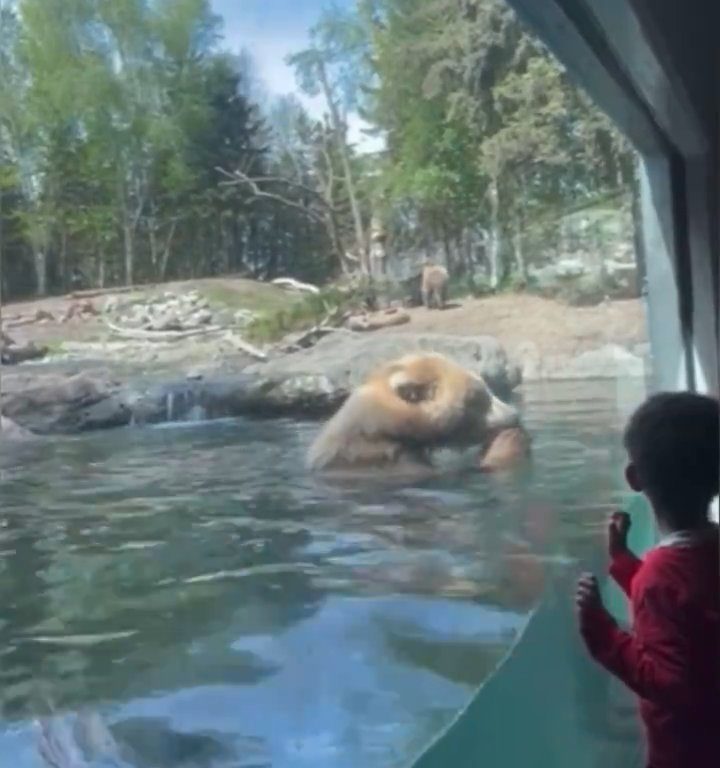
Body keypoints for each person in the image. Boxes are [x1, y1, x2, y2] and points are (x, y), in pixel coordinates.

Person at [575, 391, 719, 768]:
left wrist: (601, 633)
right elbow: (685, 607)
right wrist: (624, 563)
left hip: (685, 751)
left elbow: (667, 682)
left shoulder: (659, 577)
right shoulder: (705, 552)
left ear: (634, 477)